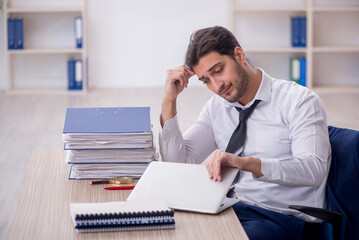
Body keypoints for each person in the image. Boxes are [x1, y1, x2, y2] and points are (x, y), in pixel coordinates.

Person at [159, 26, 331, 240]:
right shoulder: (216, 108)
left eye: (218, 70)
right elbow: (178, 165)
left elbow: (313, 169)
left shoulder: (298, 101)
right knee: (169, 228)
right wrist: (169, 100)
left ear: (239, 55)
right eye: (206, 80)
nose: (216, 86)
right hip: (231, 208)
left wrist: (244, 163)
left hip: (282, 218)